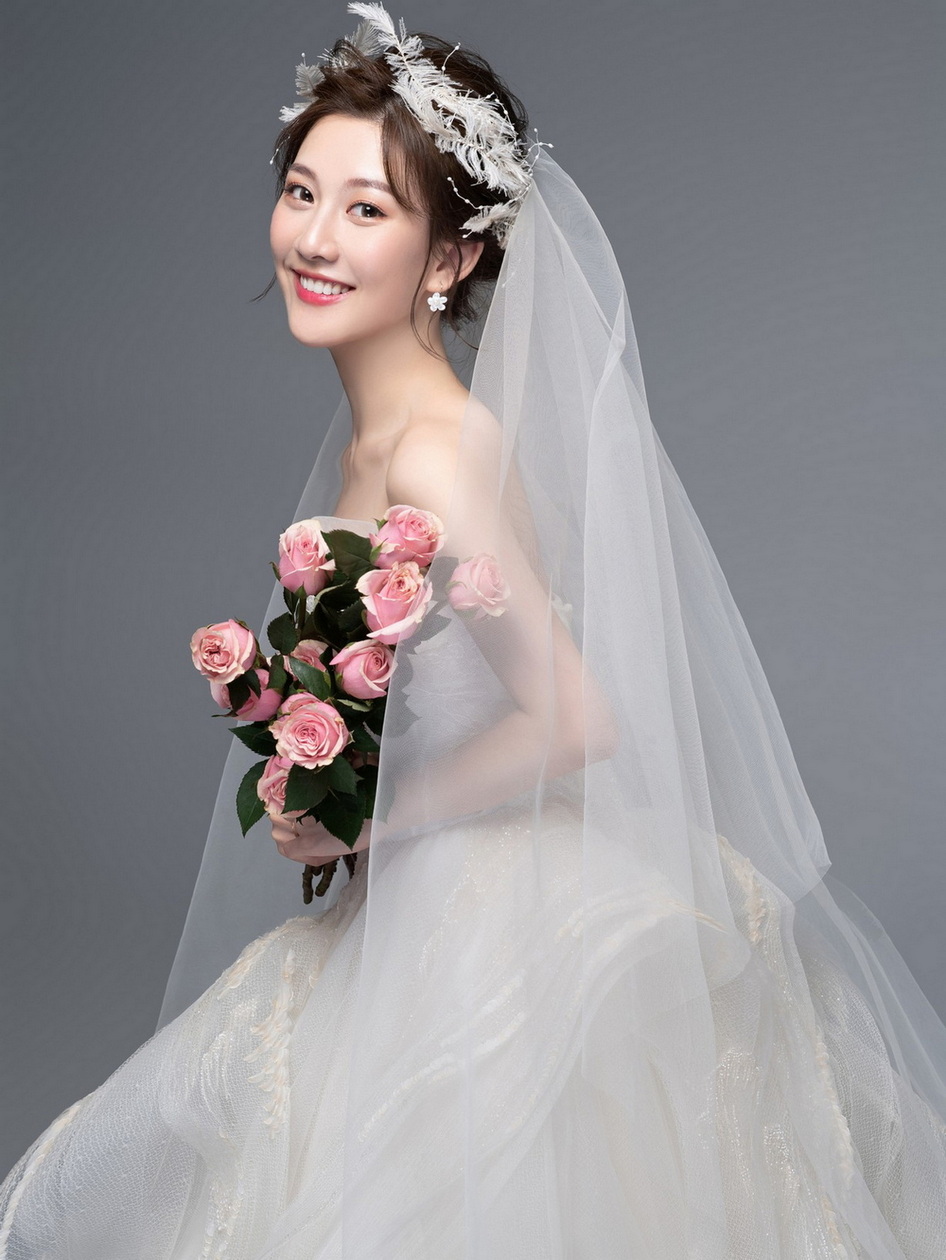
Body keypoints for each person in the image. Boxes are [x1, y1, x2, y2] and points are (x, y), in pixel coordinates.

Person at [2, 4, 945, 1256]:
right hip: (412, 903)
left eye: (367, 209)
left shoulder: (436, 455)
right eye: (301, 193)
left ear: (448, 257)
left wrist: (373, 816)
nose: (315, 238)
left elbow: (574, 716)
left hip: (496, 919)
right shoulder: (383, 437)